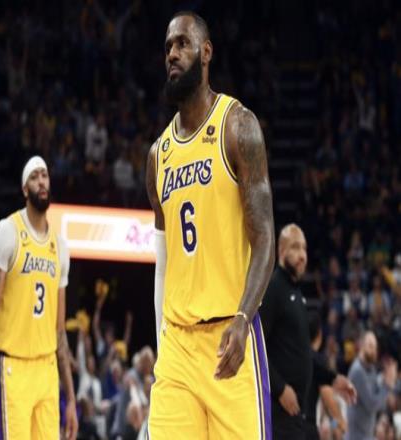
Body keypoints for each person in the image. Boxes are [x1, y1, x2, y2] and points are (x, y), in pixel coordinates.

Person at [146, 11, 275, 439]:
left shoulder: (238, 127)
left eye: (182, 43)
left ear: (206, 52)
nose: (172, 53)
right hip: (178, 349)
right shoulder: (158, 156)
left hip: (229, 336)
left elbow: (264, 239)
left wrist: (243, 317)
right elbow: (163, 262)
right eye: (168, 46)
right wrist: (162, 342)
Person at [0, 156, 78, 440]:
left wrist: (71, 399)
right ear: (25, 189)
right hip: (13, 368)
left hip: (47, 370)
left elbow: (60, 331)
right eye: (34, 177)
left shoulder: (60, 247)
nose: (41, 181)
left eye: (44, 175)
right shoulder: (8, 231)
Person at [259, 224, 356, 439]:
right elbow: (257, 347)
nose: (302, 255)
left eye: (304, 248)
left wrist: (333, 378)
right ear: (281, 250)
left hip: (296, 414)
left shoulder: (297, 294)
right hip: (278, 412)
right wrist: (280, 388)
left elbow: (304, 353)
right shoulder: (273, 289)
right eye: (295, 247)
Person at [306, 311, 352, 439]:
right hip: (307, 425)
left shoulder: (295, 356)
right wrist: (341, 422)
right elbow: (327, 395)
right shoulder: (317, 361)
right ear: (319, 335)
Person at [345, 331, 398, 440]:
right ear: (361, 345)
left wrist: (386, 378)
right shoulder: (357, 371)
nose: (373, 350)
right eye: (370, 345)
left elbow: (380, 402)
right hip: (356, 436)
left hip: (367, 435)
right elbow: (372, 405)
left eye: (375, 347)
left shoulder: (371, 369)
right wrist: (387, 385)